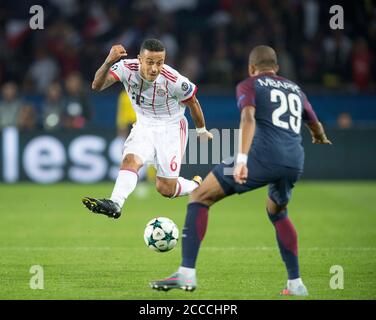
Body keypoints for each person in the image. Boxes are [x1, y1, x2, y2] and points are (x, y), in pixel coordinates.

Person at [150, 45, 332, 296]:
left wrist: (243, 159)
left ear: (251, 68)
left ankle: (186, 273)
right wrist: (320, 137)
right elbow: (313, 122)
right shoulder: (295, 89)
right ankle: (296, 284)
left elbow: (248, 118)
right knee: (277, 212)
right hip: (294, 160)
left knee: (200, 197)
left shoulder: (249, 84)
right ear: (276, 69)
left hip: (264, 155)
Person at [82, 39, 213, 218]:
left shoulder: (174, 80)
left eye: (159, 63)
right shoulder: (126, 69)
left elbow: (193, 102)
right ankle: (115, 203)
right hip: (144, 124)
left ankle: (197, 186)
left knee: (165, 188)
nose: (154, 68)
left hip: (171, 127)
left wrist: (201, 130)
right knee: (130, 160)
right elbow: (97, 85)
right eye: (150, 62)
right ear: (139, 59)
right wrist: (108, 62)